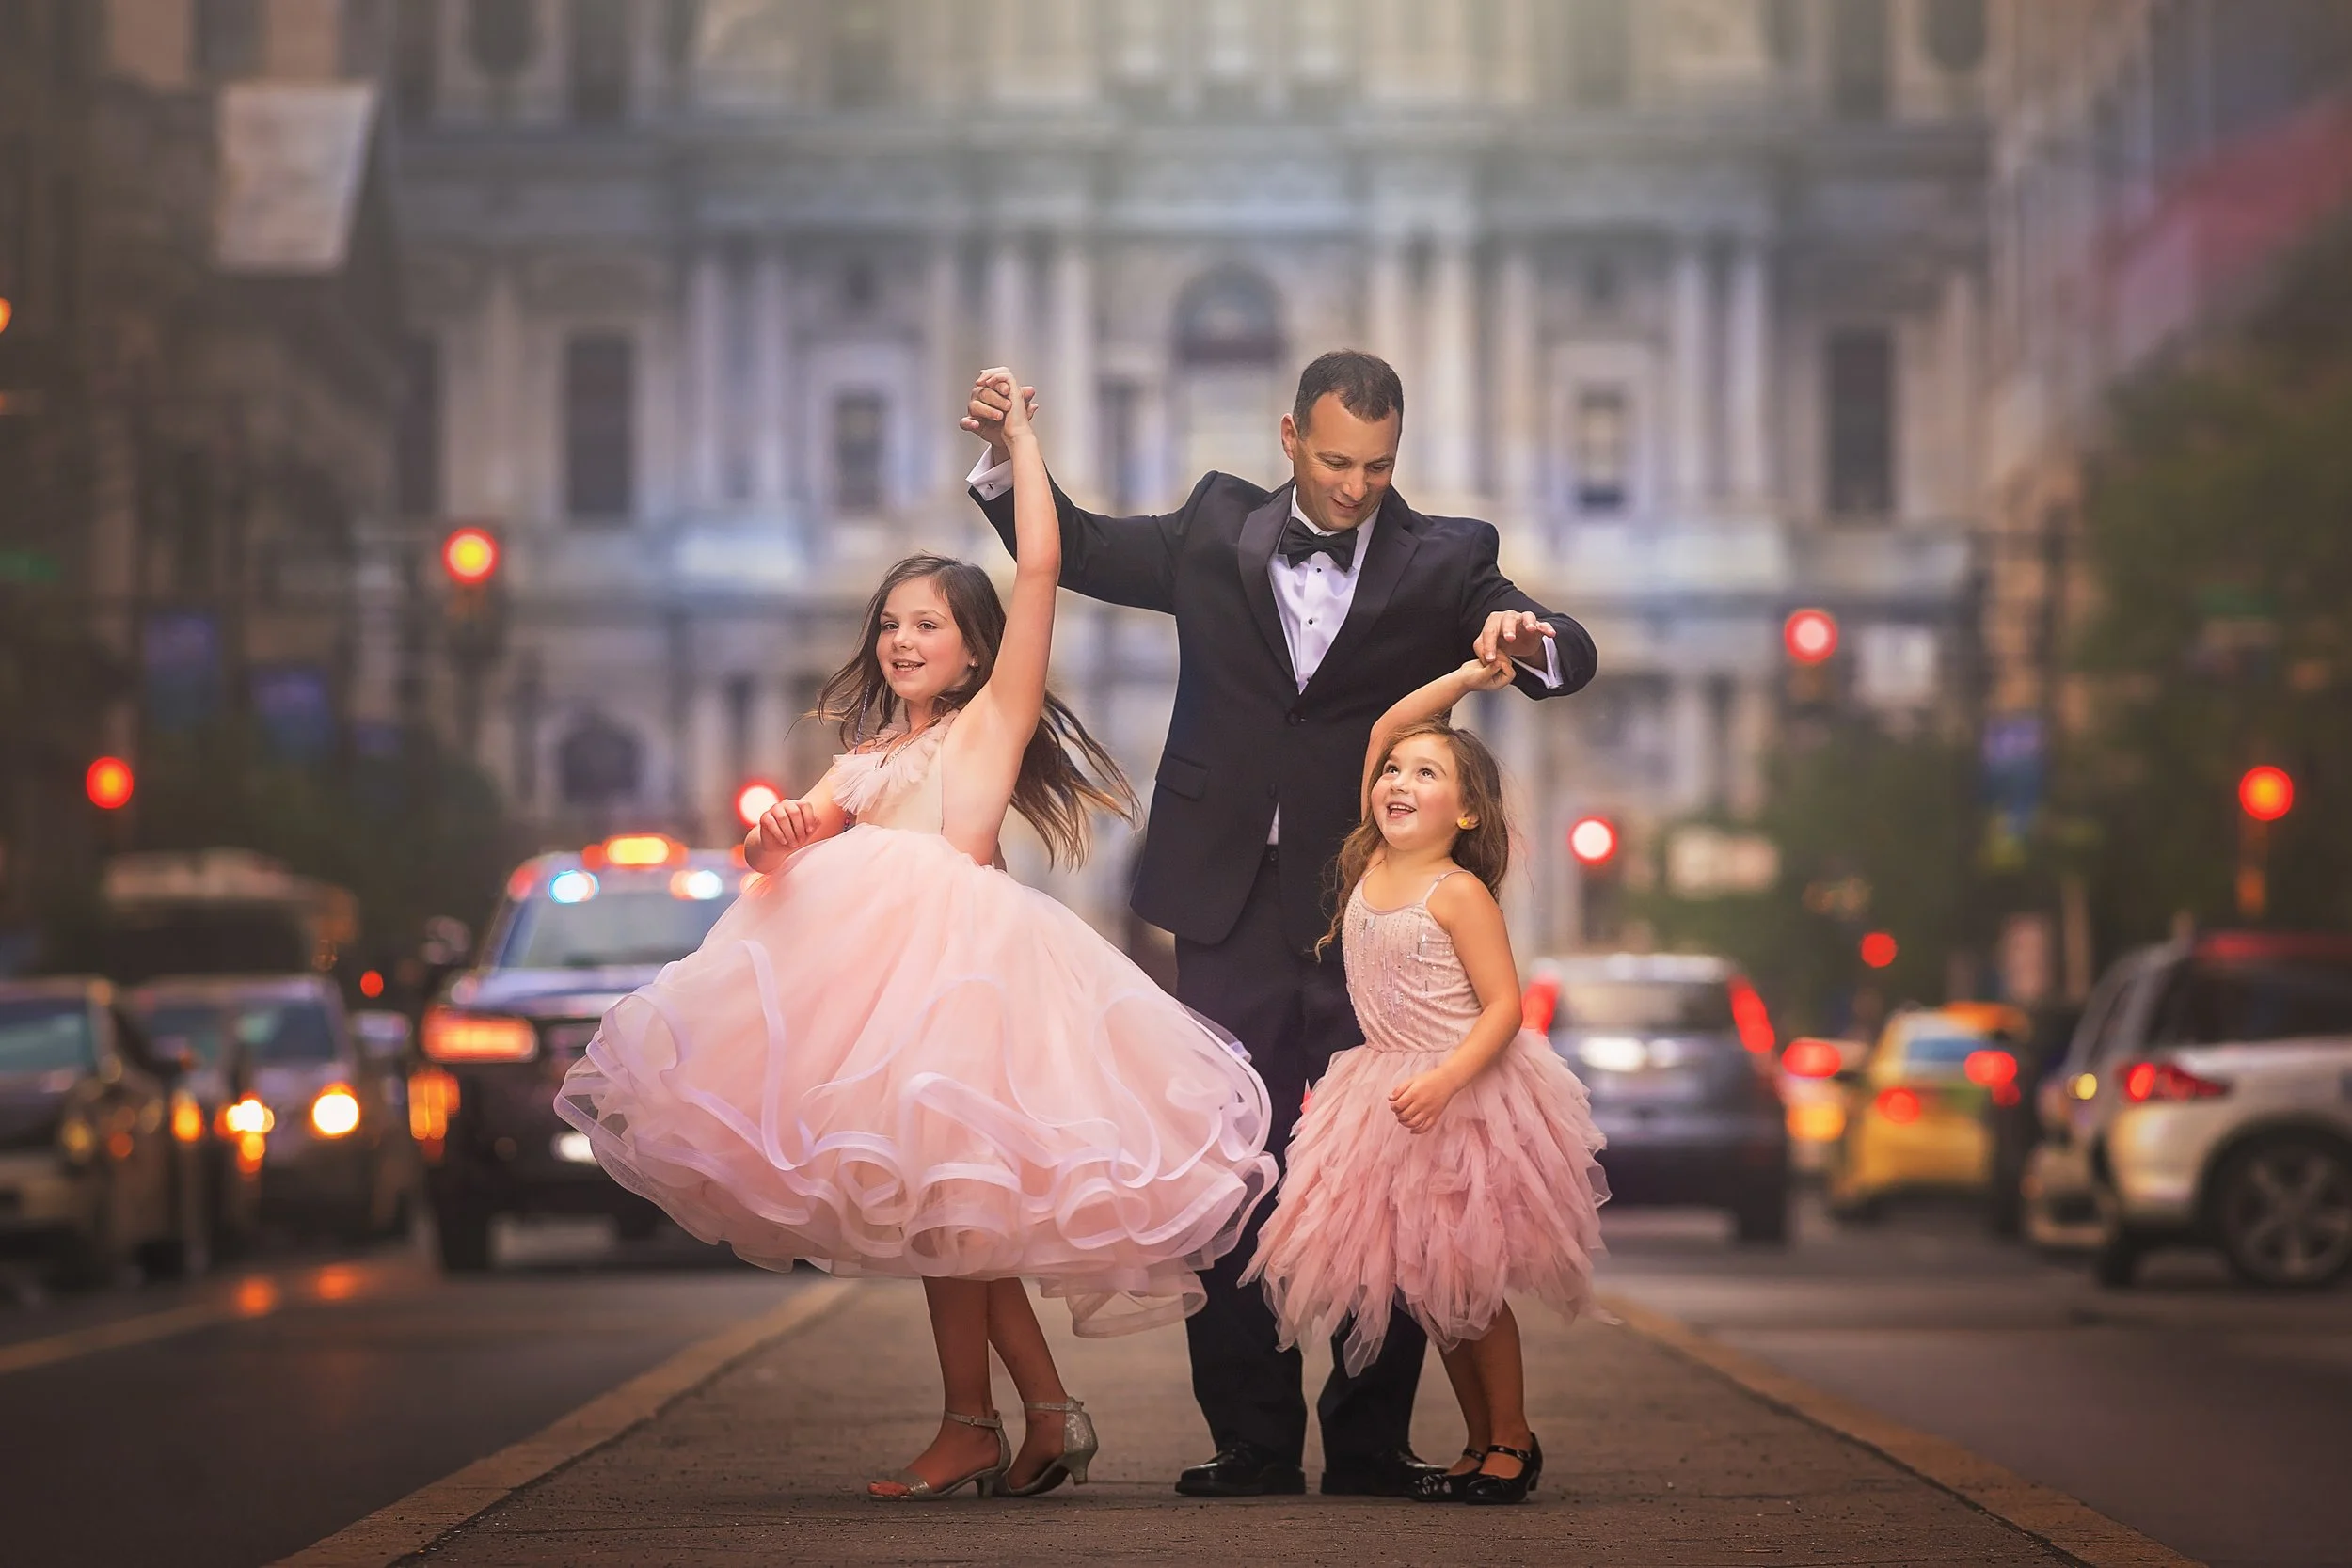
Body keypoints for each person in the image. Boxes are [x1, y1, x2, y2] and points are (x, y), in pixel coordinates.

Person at [556, 372, 1276, 1502]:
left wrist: (1021, 441)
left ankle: (974, 1426)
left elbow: (1039, 566)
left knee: (954, 1216)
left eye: (925, 624)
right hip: (879, 989)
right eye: (888, 625)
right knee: (953, 1218)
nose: (900, 640)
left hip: (960, 981)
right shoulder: (866, 755)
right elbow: (781, 846)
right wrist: (776, 836)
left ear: (975, 649)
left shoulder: (994, 721)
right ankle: (1034, 1418)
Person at [962, 350, 1595, 1498]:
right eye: (1339, 460)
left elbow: (1558, 644)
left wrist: (1523, 638)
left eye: (1379, 466)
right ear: (1291, 434)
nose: (1357, 487)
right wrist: (1010, 461)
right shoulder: (1215, 525)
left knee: (1381, 1174)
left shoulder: (1448, 554)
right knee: (1233, 1165)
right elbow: (1089, 547)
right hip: (1225, 898)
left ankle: (1368, 1442)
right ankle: (1250, 1439)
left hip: (1375, 911)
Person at [1242, 660, 1610, 1505]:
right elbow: (1381, 732)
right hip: (1384, 1097)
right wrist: (1466, 679)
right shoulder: (1370, 858)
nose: (1398, 781)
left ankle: (1513, 1438)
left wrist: (1447, 1080)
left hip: (1462, 1092)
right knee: (1432, 1288)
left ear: (1467, 810)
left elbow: (1506, 1008)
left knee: (1473, 1284)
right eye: (1395, 773)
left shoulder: (1457, 892)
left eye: (1427, 773)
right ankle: (1478, 1439)